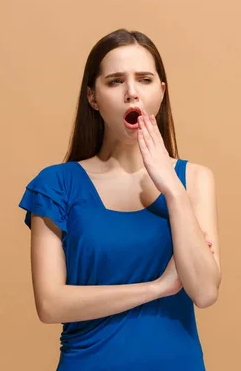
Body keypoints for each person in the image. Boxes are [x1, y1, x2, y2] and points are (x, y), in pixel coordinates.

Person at [18, 28, 221, 371]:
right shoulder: (56, 184)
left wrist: (172, 189)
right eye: (114, 81)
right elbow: (50, 304)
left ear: (161, 91)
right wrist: (158, 288)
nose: (132, 93)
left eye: (144, 79)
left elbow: (204, 292)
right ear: (92, 97)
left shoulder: (194, 180)